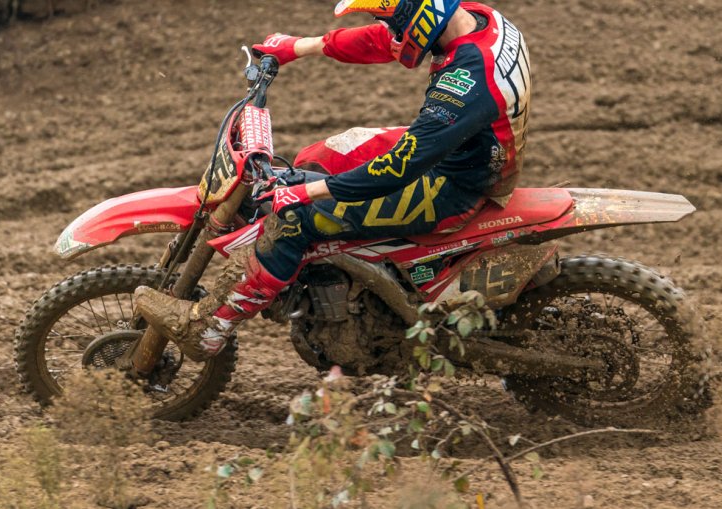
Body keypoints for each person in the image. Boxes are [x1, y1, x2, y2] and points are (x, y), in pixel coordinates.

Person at [135, 0, 532, 361]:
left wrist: (303, 193)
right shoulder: (474, 18)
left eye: (392, 22)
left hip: (452, 186)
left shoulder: (469, 77)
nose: (389, 31)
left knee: (293, 218)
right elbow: (382, 41)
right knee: (320, 156)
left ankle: (209, 330)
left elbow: (398, 167)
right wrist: (299, 47)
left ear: (418, 16)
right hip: (461, 150)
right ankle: (334, 271)